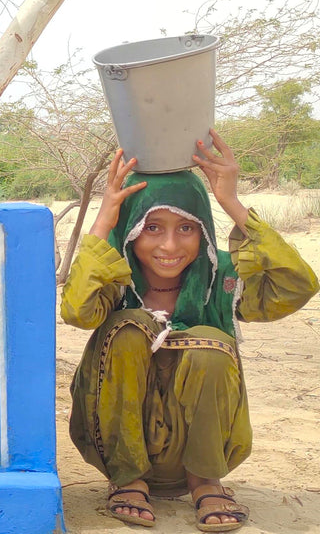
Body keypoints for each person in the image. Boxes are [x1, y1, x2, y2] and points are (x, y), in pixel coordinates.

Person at [61, 129, 318, 531]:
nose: (169, 245)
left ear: (203, 231)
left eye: (186, 228)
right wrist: (104, 218)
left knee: (209, 344)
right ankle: (129, 478)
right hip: (115, 449)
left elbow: (296, 286)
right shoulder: (116, 279)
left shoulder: (223, 280)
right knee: (129, 327)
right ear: (132, 230)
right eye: (152, 227)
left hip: (205, 455)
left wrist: (231, 202)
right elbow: (77, 311)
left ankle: (205, 481)